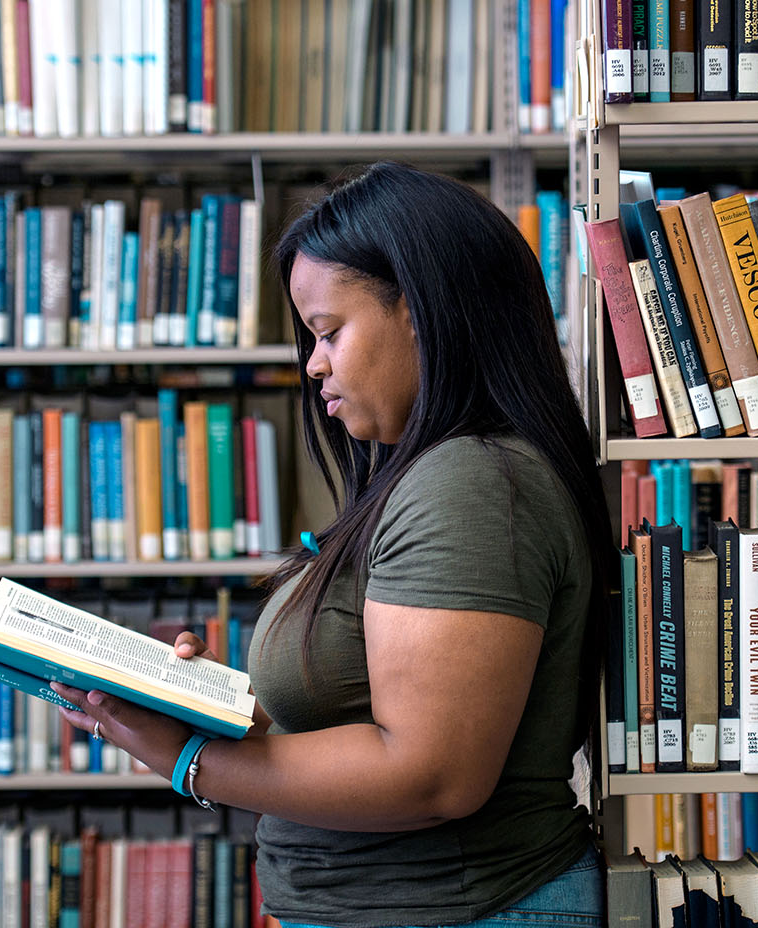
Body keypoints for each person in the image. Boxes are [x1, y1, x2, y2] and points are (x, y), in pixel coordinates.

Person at [54, 162, 615, 927]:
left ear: (420, 309)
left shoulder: (472, 483)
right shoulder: (432, 473)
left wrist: (191, 760)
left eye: (329, 331)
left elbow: (431, 777)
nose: (313, 363)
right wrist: (211, 712)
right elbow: (370, 714)